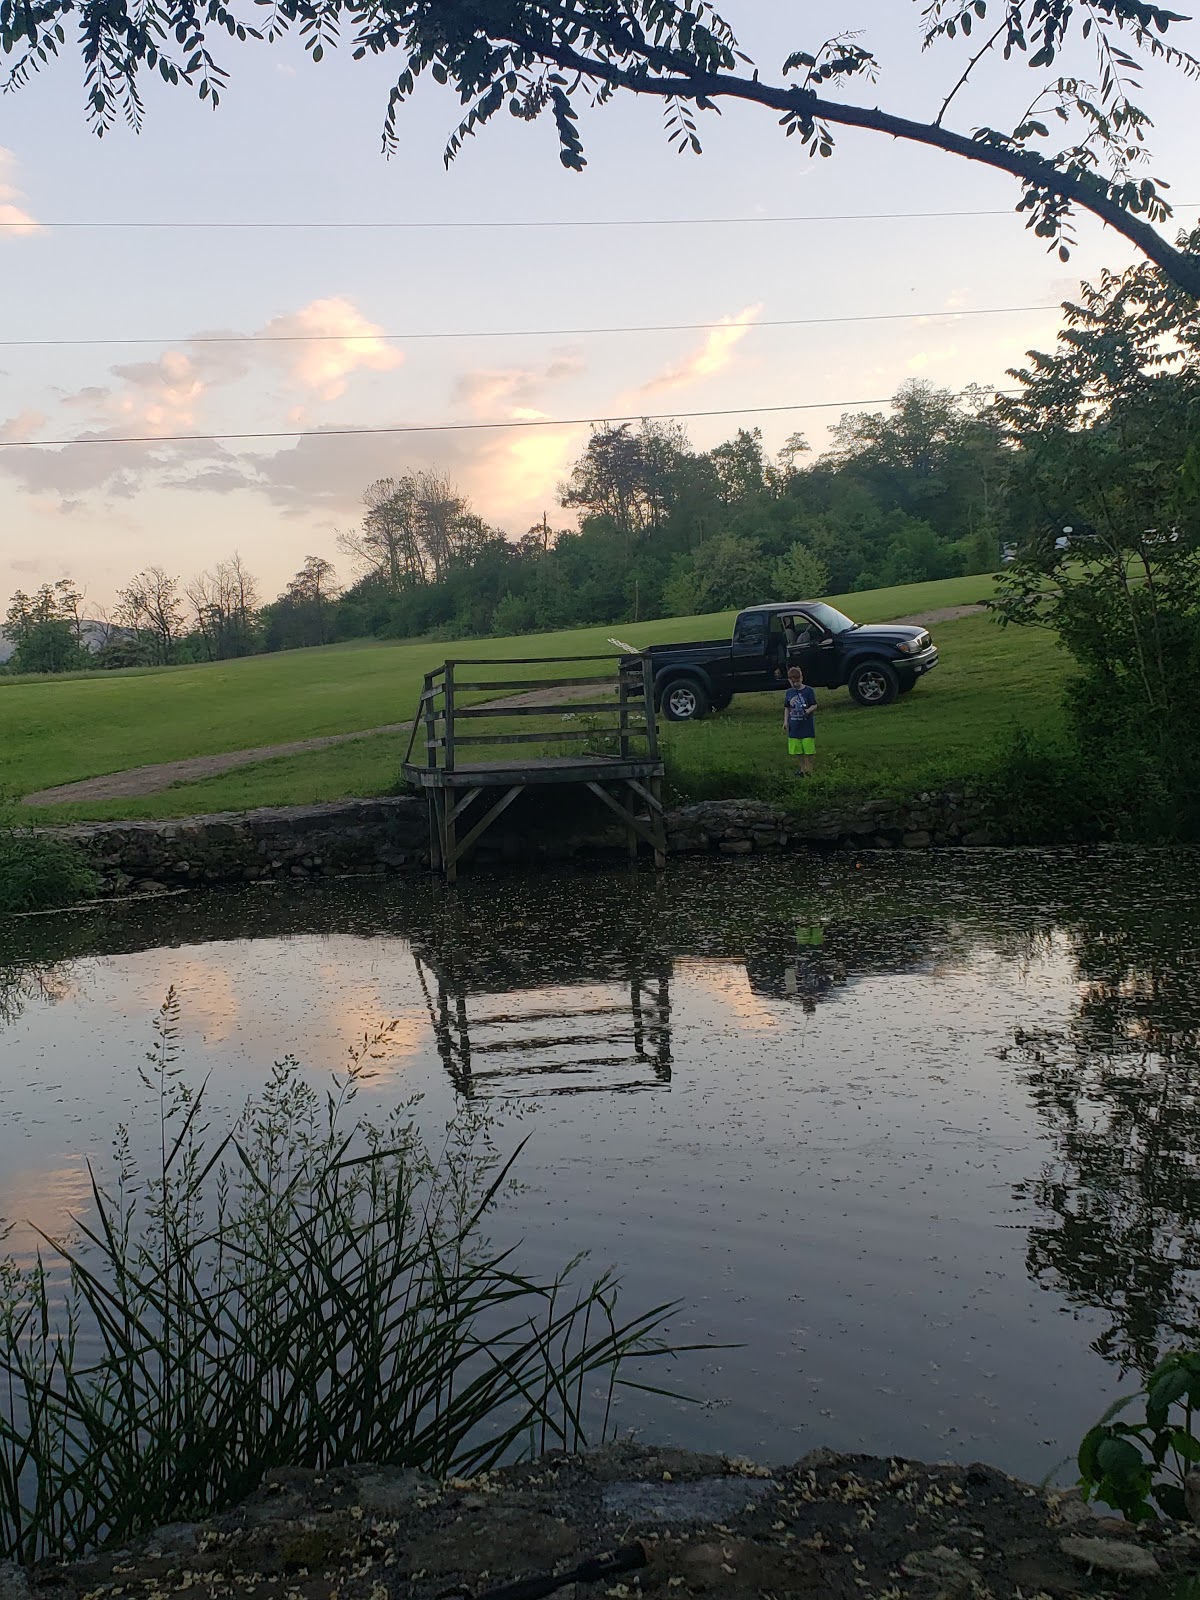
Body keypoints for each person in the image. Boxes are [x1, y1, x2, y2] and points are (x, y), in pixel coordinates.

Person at [783, 665, 817, 777]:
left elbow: (814, 705)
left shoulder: (809, 691)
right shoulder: (789, 693)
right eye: (793, 682)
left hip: (806, 726)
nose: (796, 684)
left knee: (808, 749)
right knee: (798, 750)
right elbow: (787, 707)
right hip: (794, 726)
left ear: (801, 678)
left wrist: (808, 711)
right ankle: (802, 769)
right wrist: (785, 721)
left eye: (797, 681)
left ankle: (809, 770)